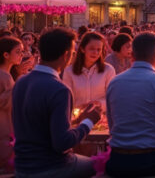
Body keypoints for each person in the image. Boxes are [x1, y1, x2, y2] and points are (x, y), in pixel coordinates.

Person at [12, 28, 102, 178]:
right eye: (72, 53)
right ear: (66, 54)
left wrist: (76, 120)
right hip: (51, 166)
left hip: (22, 166)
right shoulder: (59, 89)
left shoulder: (21, 82)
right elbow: (62, 143)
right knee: (100, 165)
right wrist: (88, 122)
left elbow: (38, 122)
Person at [105, 32, 155, 177]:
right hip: (151, 161)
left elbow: (112, 127)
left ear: (132, 55)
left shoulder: (114, 82)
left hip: (117, 160)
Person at [62, 32, 115, 108]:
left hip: (101, 116)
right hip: (77, 115)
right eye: (91, 49)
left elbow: (112, 98)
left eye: (98, 50)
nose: (95, 53)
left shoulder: (108, 70)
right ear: (83, 49)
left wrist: (99, 104)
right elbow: (66, 98)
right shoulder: (69, 71)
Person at [0, 36, 23, 172]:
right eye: (18, 52)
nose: (22, 55)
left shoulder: (8, 75)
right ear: (6, 55)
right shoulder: (4, 76)